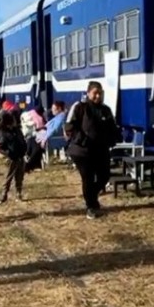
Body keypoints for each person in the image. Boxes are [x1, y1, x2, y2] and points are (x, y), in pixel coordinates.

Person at [63, 81, 122, 219]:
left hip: (101, 150)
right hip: (83, 151)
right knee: (88, 178)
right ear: (88, 93)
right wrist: (82, 139)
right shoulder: (80, 107)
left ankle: (91, 197)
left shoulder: (106, 110)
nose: (97, 96)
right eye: (95, 93)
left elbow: (112, 127)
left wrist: (114, 138)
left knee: (104, 176)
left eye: (100, 93)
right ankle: (91, 206)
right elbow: (69, 126)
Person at [25, 101, 67, 173]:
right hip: (46, 135)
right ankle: (30, 161)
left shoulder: (61, 118)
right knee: (31, 140)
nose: (52, 110)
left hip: (51, 138)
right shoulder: (58, 117)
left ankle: (29, 165)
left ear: (59, 109)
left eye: (54, 109)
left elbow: (54, 130)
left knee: (35, 145)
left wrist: (45, 138)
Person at [0, 110, 27, 204]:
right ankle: (4, 195)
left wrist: (24, 149)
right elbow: (0, 147)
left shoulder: (17, 130)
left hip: (21, 157)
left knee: (20, 176)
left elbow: (22, 140)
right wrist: (8, 153)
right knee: (8, 177)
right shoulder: (3, 133)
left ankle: (19, 193)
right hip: (12, 158)